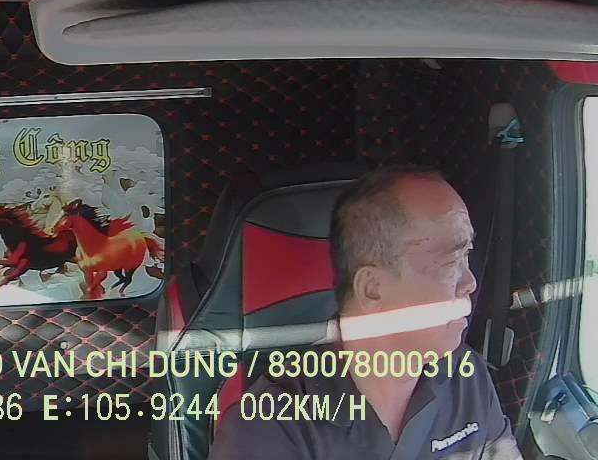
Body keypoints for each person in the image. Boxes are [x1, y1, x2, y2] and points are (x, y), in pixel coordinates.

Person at [210, 165, 522, 459]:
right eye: (450, 262)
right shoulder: (270, 429)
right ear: (372, 288)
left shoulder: (467, 376)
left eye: (467, 255)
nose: (470, 282)